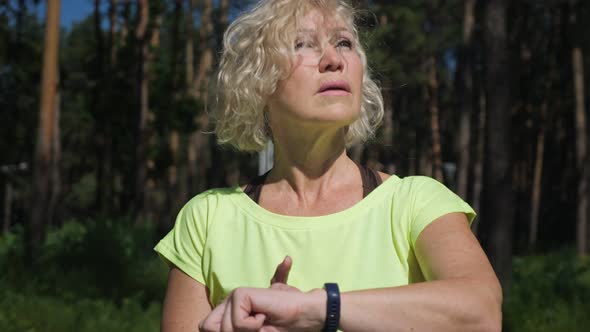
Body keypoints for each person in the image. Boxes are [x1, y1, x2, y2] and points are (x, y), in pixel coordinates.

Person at [154, 0, 502, 331]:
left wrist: (318, 309)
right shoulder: (207, 218)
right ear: (257, 82)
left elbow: (482, 313)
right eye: (302, 44)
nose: (333, 59)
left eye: (345, 43)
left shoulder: (416, 202)